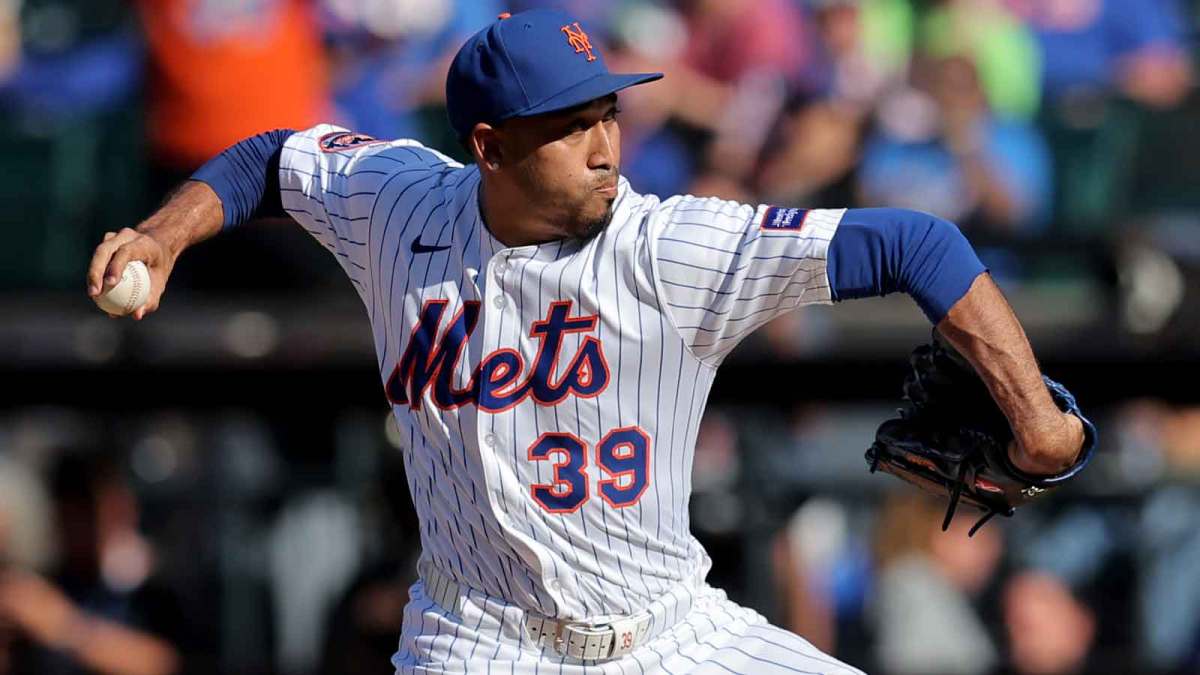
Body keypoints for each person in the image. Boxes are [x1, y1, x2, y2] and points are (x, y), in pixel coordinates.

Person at [85, 9, 1086, 673]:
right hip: (479, 643)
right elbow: (270, 161)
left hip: (676, 636)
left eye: (608, 112)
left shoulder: (672, 247)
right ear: (490, 147)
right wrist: (165, 235)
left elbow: (917, 243)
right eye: (570, 126)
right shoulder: (396, 198)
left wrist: (1035, 418)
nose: (606, 145)